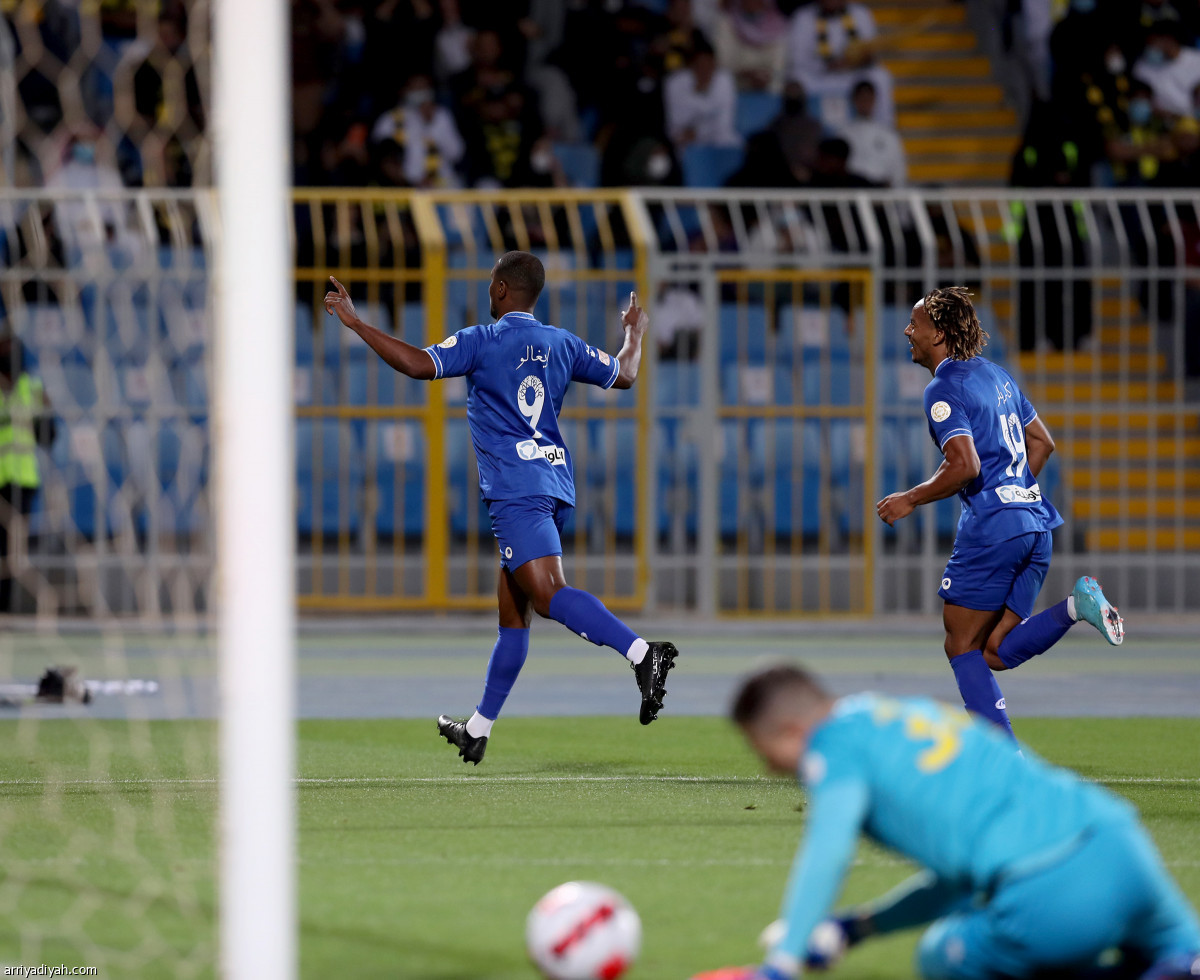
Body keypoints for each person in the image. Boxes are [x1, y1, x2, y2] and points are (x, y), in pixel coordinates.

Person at [323, 252, 679, 765]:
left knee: (548, 593)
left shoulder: (482, 341)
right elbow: (624, 375)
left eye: (492, 284)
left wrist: (356, 323)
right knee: (513, 614)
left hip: (515, 489)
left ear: (500, 291)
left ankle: (644, 654)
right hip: (555, 485)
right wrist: (634, 334)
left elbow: (417, 364)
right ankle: (478, 728)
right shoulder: (562, 342)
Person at [692, 663, 1200, 980]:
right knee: (1180, 950)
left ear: (789, 730)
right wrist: (859, 927)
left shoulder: (832, 746)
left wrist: (782, 964)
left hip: (1049, 890)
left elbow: (829, 849)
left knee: (942, 956)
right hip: (1122, 843)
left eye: (764, 751)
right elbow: (960, 883)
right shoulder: (904, 712)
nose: (768, 768)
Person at [875, 287, 1123, 739]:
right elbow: (1042, 442)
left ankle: (1005, 762)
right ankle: (1075, 606)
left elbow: (964, 464)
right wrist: (1014, 491)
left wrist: (910, 498)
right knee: (995, 649)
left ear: (941, 333)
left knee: (960, 644)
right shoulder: (998, 375)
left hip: (995, 528)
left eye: (917, 324)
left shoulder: (943, 387)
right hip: (1036, 524)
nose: (908, 331)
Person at [0, 332, 54, 613]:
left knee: (13, 552)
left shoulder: (32, 388)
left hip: (22, 481)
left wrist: (46, 413)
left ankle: (6, 612)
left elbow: (48, 437)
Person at [784, 0, 894, 125]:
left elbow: (870, 51)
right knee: (796, 79)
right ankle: (804, 128)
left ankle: (884, 128)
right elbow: (798, 59)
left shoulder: (861, 13)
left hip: (851, 76)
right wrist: (828, 65)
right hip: (818, 77)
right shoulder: (803, 17)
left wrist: (853, 62)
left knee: (880, 77)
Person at [837, 79, 905, 186]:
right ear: (854, 100)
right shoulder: (843, 134)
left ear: (874, 100)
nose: (865, 103)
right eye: (861, 99)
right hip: (854, 192)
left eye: (868, 99)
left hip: (882, 194)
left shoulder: (888, 134)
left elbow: (898, 170)